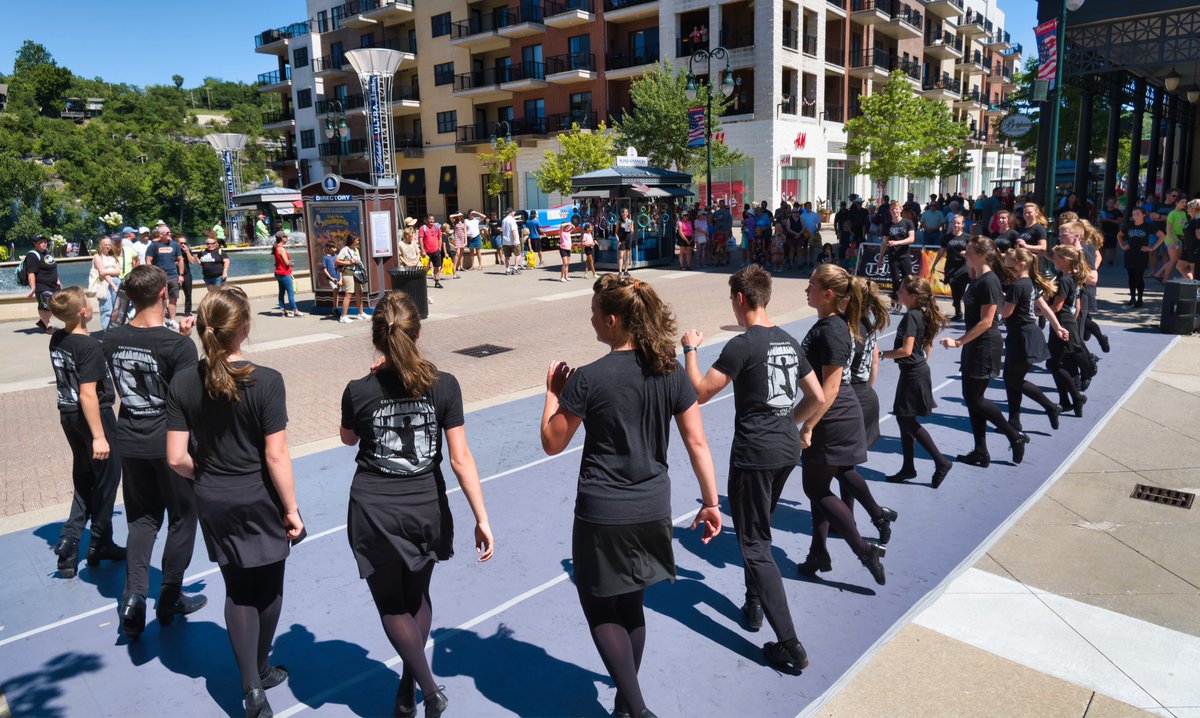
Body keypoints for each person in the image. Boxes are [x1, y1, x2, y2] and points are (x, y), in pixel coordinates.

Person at [541, 274, 721, 718]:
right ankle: (625, 706)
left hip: (604, 511)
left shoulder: (587, 379)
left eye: (596, 314)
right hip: (652, 506)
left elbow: (552, 441)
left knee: (600, 609)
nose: (592, 320)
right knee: (632, 605)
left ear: (614, 320)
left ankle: (637, 710)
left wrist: (552, 393)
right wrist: (712, 502)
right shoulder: (670, 371)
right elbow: (697, 442)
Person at [341, 293, 493, 718]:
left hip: (375, 510)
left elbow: (347, 438)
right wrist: (481, 517)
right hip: (426, 505)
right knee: (417, 595)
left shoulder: (359, 391)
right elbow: (461, 458)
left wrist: (371, 382)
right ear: (418, 333)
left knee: (391, 604)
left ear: (377, 340)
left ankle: (426, 689)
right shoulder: (444, 385)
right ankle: (409, 689)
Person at [165, 286, 303, 718]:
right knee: (268, 585)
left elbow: (175, 458)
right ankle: (260, 668)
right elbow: (275, 455)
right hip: (260, 496)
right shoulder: (267, 380)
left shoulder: (184, 380)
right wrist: (292, 509)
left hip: (215, 497)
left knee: (237, 588)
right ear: (244, 327)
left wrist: (206, 476)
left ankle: (249, 688)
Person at [680, 265, 824, 673]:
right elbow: (815, 395)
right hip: (784, 451)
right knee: (757, 529)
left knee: (755, 545)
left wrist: (690, 349)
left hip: (754, 455)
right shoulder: (788, 340)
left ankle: (789, 644)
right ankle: (754, 601)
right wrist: (791, 424)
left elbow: (700, 392)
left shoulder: (742, 346)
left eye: (731, 299)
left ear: (741, 299)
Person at [102, 265, 207, 639]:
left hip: (130, 438)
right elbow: (190, 399)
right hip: (169, 442)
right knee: (182, 518)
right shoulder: (178, 346)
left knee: (142, 521)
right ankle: (169, 597)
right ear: (164, 293)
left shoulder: (111, 339)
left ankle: (133, 597)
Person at [795, 264, 889, 585]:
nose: (806, 290)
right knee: (820, 486)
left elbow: (830, 388)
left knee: (816, 488)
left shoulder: (833, 329)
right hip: (835, 412)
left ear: (828, 294)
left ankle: (865, 551)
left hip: (832, 415)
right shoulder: (830, 324)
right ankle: (817, 551)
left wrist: (807, 425)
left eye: (811, 285)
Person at [47, 287, 126, 578]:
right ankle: (98, 542)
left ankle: (69, 545)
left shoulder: (58, 338)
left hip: (68, 416)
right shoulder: (88, 347)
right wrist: (99, 436)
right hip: (93, 418)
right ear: (83, 311)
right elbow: (89, 395)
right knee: (107, 479)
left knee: (85, 478)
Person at [939, 238, 1030, 467]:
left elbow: (987, 321)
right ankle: (981, 451)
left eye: (968, 250)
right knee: (971, 399)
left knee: (976, 399)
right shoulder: (977, 277)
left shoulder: (989, 281)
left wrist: (959, 342)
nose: (964, 252)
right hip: (974, 344)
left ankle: (1014, 435)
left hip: (984, 345)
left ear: (980, 254)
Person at [881, 276, 953, 487]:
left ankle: (941, 461)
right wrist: (921, 363)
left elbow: (906, 350)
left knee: (906, 421)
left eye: (902, 290)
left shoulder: (912, 316)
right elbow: (927, 344)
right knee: (904, 419)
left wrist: (879, 354)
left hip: (913, 374)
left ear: (913, 296)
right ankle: (908, 467)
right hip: (915, 371)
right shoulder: (921, 313)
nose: (899, 291)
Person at [999, 248, 1068, 432]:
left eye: (1009, 259)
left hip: (1023, 336)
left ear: (1020, 264)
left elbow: (1006, 312)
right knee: (1011, 378)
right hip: (1026, 334)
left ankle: (1051, 407)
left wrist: (999, 297)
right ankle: (1014, 421)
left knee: (1014, 380)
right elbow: (1045, 308)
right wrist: (1057, 327)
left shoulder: (1017, 285)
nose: (1005, 260)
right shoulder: (1028, 283)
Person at [1048, 245, 1092, 418]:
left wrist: (1040, 311)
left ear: (1065, 261)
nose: (1054, 260)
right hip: (1067, 324)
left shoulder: (1064, 280)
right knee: (1065, 365)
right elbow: (1077, 307)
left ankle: (1077, 397)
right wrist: (1071, 323)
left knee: (1053, 365)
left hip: (1060, 324)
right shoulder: (1073, 278)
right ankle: (1067, 401)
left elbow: (1058, 306)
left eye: (1057, 258)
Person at [1117, 207, 1163, 308]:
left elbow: (1162, 236)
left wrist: (1151, 248)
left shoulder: (1147, 226)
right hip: (1130, 253)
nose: (1135, 216)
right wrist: (1122, 245)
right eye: (1133, 214)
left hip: (1141, 254)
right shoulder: (1129, 225)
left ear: (1143, 215)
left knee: (1139, 277)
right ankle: (1132, 297)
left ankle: (1140, 299)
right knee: (1131, 277)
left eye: (1137, 214)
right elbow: (1119, 235)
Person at [879, 201, 916, 310]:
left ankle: (910, 300)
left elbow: (912, 238)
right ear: (890, 211)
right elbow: (884, 242)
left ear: (900, 210)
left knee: (908, 279)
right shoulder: (888, 225)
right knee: (895, 280)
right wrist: (880, 258)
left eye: (896, 209)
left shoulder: (908, 222)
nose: (894, 211)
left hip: (905, 255)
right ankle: (897, 300)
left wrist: (897, 242)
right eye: (892, 209)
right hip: (893, 256)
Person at [934, 214, 970, 321]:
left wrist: (966, 252)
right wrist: (934, 264)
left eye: (958, 223)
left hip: (963, 267)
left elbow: (973, 251)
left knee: (963, 292)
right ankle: (958, 312)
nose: (956, 225)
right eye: (954, 223)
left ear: (963, 225)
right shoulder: (946, 237)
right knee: (955, 293)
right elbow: (941, 252)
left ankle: (967, 313)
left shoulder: (967, 237)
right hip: (950, 267)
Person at [148, 226, 185, 328]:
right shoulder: (154, 245)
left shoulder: (174, 245)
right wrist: (152, 274)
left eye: (169, 232)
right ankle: (161, 321)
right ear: (160, 235)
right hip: (160, 277)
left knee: (173, 298)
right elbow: (148, 260)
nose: (169, 234)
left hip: (173, 275)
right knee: (162, 299)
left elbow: (180, 259)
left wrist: (181, 275)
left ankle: (172, 320)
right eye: (167, 233)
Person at [25, 234, 61, 333]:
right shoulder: (32, 255)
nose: (44, 243)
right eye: (41, 242)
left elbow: (53, 268)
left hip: (54, 285)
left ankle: (43, 321)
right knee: (44, 306)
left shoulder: (47, 253)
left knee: (56, 305)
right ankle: (48, 327)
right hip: (42, 285)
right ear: (35, 244)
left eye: (45, 241)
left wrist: (58, 280)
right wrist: (33, 288)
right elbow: (31, 273)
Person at [90, 237, 121, 331]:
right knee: (106, 309)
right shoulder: (97, 256)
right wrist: (113, 285)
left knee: (117, 308)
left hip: (115, 282)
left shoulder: (114, 257)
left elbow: (118, 271)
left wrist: (108, 272)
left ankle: (116, 329)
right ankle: (107, 331)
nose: (107, 246)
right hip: (104, 284)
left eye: (109, 244)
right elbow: (102, 273)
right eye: (105, 244)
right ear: (100, 245)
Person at [273, 232, 305, 318]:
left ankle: (283, 311)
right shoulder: (281, 249)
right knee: (290, 293)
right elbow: (287, 263)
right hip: (284, 273)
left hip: (278, 273)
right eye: (285, 237)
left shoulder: (276, 247)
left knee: (281, 293)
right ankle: (295, 311)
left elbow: (276, 262)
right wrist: (291, 263)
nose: (287, 238)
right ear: (281, 238)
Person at [336, 234, 367, 322]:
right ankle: (343, 316)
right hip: (348, 273)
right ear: (352, 240)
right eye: (357, 240)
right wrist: (349, 262)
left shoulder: (356, 250)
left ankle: (361, 313)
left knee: (359, 293)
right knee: (349, 294)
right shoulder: (345, 250)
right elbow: (337, 261)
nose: (358, 242)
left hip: (356, 273)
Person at [1098, 196, 1124, 267]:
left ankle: (1111, 260)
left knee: (1112, 247)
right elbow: (1099, 220)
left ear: (1114, 204)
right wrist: (1101, 222)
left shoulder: (1117, 212)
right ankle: (1100, 260)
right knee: (1102, 247)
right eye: (1109, 202)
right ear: (1107, 203)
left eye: (1112, 203)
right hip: (1104, 230)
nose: (1110, 204)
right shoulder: (1103, 211)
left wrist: (1109, 220)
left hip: (1113, 231)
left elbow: (1120, 221)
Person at [420, 215, 445, 288]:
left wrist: (439, 248)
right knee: (425, 267)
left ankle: (437, 282)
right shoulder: (423, 228)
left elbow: (440, 238)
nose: (431, 221)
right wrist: (422, 250)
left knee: (437, 266)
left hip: (436, 250)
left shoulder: (437, 228)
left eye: (433, 219)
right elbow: (421, 239)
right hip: (426, 251)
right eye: (430, 219)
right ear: (426, 220)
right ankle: (423, 283)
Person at [176, 232, 196, 317]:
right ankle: (171, 311)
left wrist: (187, 252)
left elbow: (192, 262)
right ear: (177, 243)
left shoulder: (187, 250)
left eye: (185, 243)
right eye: (181, 243)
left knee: (188, 294)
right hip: (175, 274)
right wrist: (177, 263)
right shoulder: (174, 250)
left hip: (186, 274)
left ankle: (187, 312)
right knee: (173, 295)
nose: (183, 245)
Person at [500, 208, 520, 276]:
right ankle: (515, 268)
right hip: (512, 241)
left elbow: (502, 230)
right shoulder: (512, 220)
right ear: (511, 212)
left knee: (507, 256)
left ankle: (507, 269)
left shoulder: (504, 220)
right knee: (518, 254)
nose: (514, 213)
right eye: (514, 212)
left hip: (505, 241)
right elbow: (513, 230)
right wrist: (515, 240)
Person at [558, 217, 575, 282]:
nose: (567, 227)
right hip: (563, 249)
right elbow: (561, 225)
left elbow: (573, 227)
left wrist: (570, 224)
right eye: (566, 226)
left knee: (567, 263)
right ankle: (562, 277)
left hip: (568, 249)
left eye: (567, 226)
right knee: (564, 263)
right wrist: (568, 223)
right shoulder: (561, 232)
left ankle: (566, 276)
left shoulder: (568, 232)